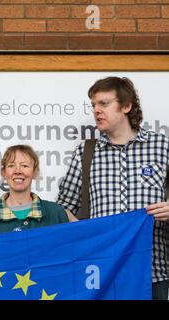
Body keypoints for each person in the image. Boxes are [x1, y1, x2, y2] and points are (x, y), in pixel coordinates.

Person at [57, 76, 169, 300]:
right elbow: (62, 208)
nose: (96, 111)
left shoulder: (162, 146)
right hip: (102, 272)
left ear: (126, 106)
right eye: (94, 105)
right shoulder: (85, 152)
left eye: (104, 104)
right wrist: (88, 232)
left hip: (152, 273)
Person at [0, 144, 68, 235]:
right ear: (3, 172)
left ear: (35, 172)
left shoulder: (57, 215)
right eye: (11, 166)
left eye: (24, 165)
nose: (18, 171)